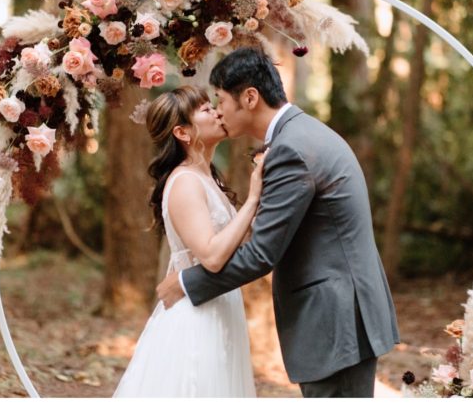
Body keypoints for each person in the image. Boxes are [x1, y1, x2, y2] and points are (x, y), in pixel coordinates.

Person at [156, 47, 400, 398]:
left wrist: (187, 283)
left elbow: (261, 254)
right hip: (343, 316)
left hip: (337, 321)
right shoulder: (301, 134)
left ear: (250, 97)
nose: (219, 111)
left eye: (221, 100)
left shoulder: (291, 149)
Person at [114, 86, 263, 397]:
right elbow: (210, 255)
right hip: (196, 317)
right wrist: (252, 200)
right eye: (206, 110)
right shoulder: (184, 182)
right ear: (182, 132)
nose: (218, 112)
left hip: (220, 305)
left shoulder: (208, 178)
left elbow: (239, 242)